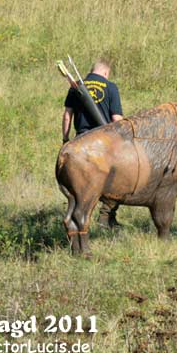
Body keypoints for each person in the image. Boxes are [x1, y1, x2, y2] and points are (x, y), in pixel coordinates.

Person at [62, 59, 124, 227]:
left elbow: (67, 115)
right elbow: (117, 119)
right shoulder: (111, 87)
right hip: (103, 141)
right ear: (105, 73)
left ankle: (76, 219)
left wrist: (65, 139)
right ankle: (106, 216)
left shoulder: (75, 87)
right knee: (121, 176)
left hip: (81, 140)